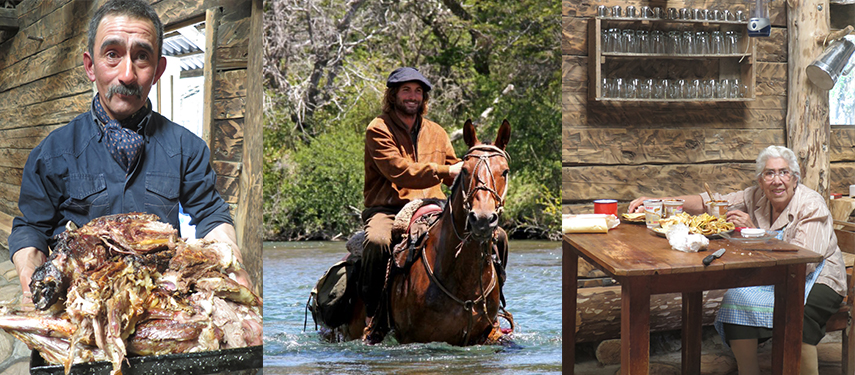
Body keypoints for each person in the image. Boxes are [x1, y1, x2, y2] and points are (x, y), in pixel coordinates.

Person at [8, 0, 252, 304]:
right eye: (112, 55)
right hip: (77, 304)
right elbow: (31, 227)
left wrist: (234, 263)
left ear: (159, 69)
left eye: (142, 57)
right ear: (90, 66)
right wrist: (31, 273)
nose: (126, 74)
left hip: (159, 303)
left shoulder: (186, 149)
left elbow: (211, 215)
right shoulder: (52, 153)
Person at [628, 145, 846, 375]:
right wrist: (659, 201)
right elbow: (710, 202)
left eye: (784, 172)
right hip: (777, 275)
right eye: (769, 173)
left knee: (796, 316)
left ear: (795, 179)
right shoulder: (755, 196)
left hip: (820, 277)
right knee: (734, 299)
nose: (777, 180)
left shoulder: (811, 204)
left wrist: (758, 234)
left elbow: (806, 260)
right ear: (761, 181)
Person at [360, 67, 463, 343]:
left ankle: (491, 312)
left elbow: (454, 169)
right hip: (388, 208)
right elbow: (398, 169)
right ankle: (373, 316)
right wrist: (445, 172)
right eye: (406, 90)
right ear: (393, 95)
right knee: (378, 241)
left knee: (494, 237)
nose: (413, 96)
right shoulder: (378, 128)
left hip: (434, 206)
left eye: (418, 91)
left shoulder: (438, 132)